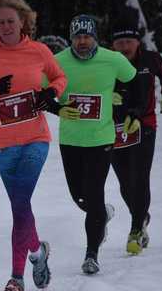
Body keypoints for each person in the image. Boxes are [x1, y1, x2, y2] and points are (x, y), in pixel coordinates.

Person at [0, 0, 67, 291]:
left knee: (20, 205)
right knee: (21, 208)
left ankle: (16, 277)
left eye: (11, 21)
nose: (6, 26)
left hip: (35, 138)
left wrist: (51, 92)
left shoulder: (39, 51)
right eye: (0, 22)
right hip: (2, 144)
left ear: (23, 21)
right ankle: (37, 251)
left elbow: (60, 77)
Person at [50, 14, 137, 275]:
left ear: (95, 38)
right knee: (81, 198)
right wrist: (58, 110)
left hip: (101, 139)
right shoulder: (57, 62)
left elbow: (134, 82)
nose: (82, 41)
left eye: (87, 36)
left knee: (94, 192)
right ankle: (102, 214)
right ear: (71, 39)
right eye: (77, 37)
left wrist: (124, 99)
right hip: (71, 140)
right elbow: (40, 94)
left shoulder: (113, 60)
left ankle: (91, 254)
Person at [109, 21, 162, 255]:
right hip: (115, 128)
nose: (124, 46)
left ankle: (136, 229)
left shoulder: (151, 59)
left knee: (140, 176)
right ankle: (142, 215)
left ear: (138, 42)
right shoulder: (107, 61)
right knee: (125, 183)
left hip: (145, 125)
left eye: (128, 41)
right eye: (119, 42)